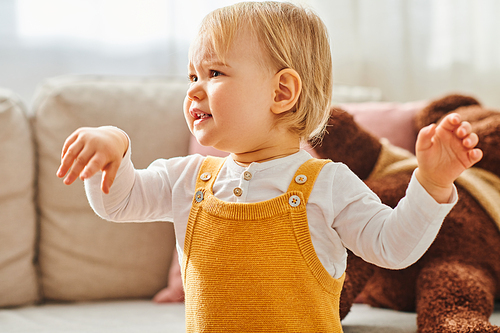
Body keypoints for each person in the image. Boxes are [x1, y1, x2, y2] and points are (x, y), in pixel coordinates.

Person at [57, 1, 482, 332]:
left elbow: (392, 246)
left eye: (215, 72)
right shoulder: (187, 179)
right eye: (191, 77)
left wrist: (431, 182)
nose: (194, 91)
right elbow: (120, 202)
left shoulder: (327, 184)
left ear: (282, 92)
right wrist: (114, 148)